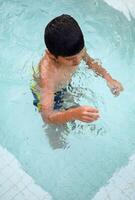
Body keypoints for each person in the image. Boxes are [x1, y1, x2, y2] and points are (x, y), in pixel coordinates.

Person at [31, 14, 123, 125]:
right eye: (70, 59)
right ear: (51, 55)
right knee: (58, 130)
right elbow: (47, 117)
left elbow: (91, 63)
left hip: (64, 85)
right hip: (49, 92)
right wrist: (73, 114)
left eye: (80, 54)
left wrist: (109, 78)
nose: (77, 61)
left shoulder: (76, 49)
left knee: (79, 113)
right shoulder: (48, 75)